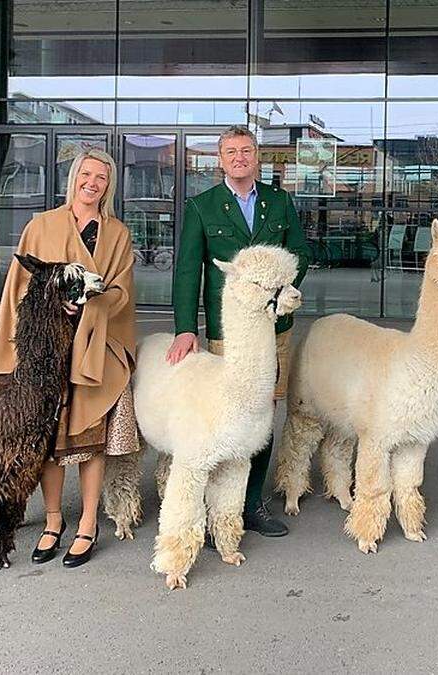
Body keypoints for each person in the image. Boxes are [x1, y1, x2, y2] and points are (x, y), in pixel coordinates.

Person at [0, 149, 138, 569]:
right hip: (48, 351)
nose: (93, 183)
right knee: (50, 442)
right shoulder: (42, 226)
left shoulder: (117, 234)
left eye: (102, 178)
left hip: (96, 348)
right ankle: (53, 521)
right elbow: (20, 287)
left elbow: (121, 291)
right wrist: (54, 307)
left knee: (89, 440)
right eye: (86, 175)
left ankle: (88, 522)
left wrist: (90, 306)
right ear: (74, 178)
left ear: (109, 186)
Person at [165, 125, 309, 537]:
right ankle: (215, 511)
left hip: (275, 329)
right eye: (232, 152)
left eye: (247, 150)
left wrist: (280, 290)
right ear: (220, 158)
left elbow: (300, 252)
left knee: (263, 415)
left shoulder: (279, 202)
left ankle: (251, 504)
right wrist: (184, 328)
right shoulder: (202, 207)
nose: (240, 158)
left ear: (257, 155)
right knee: (223, 419)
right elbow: (188, 270)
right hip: (229, 333)